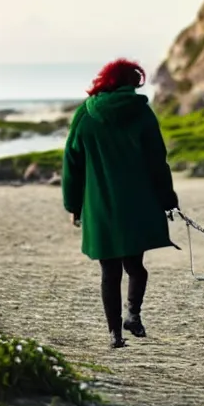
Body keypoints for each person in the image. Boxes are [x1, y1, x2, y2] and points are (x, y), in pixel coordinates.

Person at [61, 59, 177, 349]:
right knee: (136, 267)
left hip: (99, 207)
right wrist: (167, 199)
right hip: (136, 205)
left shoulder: (85, 114)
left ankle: (115, 334)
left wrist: (73, 204)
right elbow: (157, 162)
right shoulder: (142, 113)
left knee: (109, 273)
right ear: (131, 83)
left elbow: (72, 163)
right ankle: (133, 315)